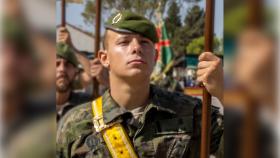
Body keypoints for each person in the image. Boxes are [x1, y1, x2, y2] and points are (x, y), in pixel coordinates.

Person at [57, 11, 223, 158]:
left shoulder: (192, 112)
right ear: (104, 58)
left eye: (144, 42)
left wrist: (224, 92)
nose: (136, 48)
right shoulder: (76, 125)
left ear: (156, 56)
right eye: (124, 42)